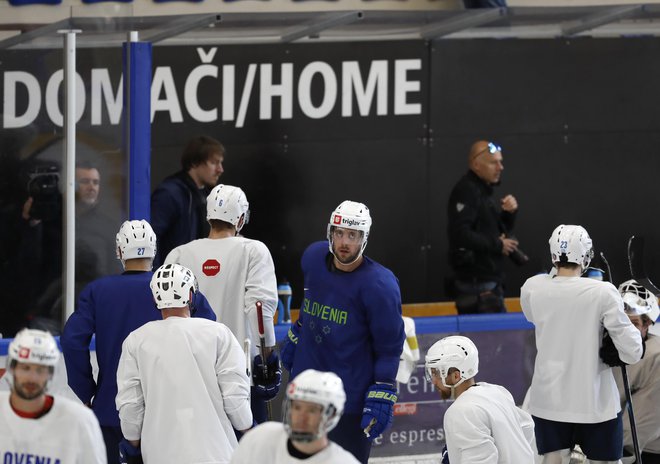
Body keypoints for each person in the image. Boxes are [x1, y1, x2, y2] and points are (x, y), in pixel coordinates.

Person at [60, 220, 216, 464]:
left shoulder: (98, 291)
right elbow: (209, 329)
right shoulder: (175, 284)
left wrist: (88, 392)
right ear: (154, 250)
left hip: (113, 410)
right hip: (172, 410)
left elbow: (71, 341)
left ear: (120, 252)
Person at [280, 200, 405, 464]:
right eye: (339, 233)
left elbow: (389, 347)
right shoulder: (313, 258)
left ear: (364, 238)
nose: (344, 242)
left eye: (353, 235)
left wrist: (383, 391)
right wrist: (298, 331)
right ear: (330, 233)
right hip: (303, 392)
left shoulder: (380, 285)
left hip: (349, 401)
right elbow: (311, 300)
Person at [521, 224, 643, 464]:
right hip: (594, 403)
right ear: (586, 254)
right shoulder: (602, 292)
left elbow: (536, 316)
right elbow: (632, 352)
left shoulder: (532, 288)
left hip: (548, 402)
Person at [164, 184, 281, 423]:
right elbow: (259, 310)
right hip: (240, 375)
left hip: (191, 375)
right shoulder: (254, 251)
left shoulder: (178, 254)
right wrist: (266, 359)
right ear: (240, 218)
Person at [116, 263, 253, 464]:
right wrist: (250, 430)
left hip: (159, 455)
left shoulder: (136, 340)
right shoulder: (218, 333)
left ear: (155, 298)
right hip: (216, 453)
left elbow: (131, 406)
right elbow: (235, 400)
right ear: (190, 295)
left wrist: (132, 444)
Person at [0, 328, 107, 463]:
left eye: (40, 370)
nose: (32, 378)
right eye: (25, 368)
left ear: (51, 374)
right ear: (12, 368)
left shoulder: (80, 421)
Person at [425, 335, 535, 462]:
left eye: (437, 373)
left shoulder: (461, 411)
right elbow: (527, 427)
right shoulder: (497, 392)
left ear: (456, 376)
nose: (433, 380)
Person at [447, 140, 521, 314]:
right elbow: (460, 233)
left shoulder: (482, 192)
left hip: (489, 283)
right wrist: (498, 244)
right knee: (495, 340)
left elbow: (493, 232)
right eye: (494, 162)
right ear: (476, 164)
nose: (500, 167)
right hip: (477, 287)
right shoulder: (467, 190)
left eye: (501, 162)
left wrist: (509, 214)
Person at [230, 369, 360, 464]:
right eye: (297, 407)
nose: (301, 417)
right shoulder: (260, 438)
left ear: (332, 415)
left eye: (312, 410)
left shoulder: (342, 461)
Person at [151, 135, 225, 266]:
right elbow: (151, 237)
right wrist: (156, 277)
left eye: (220, 163)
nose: (220, 169)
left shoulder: (209, 195)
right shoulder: (170, 193)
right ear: (194, 162)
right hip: (172, 280)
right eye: (214, 163)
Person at [614, 280, 660, 464]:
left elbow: (642, 423)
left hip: (646, 451)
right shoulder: (607, 351)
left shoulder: (655, 358)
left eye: (632, 324)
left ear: (646, 323)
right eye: (621, 323)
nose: (626, 332)